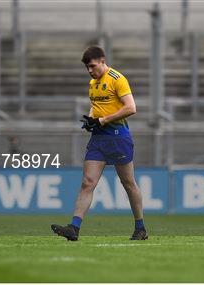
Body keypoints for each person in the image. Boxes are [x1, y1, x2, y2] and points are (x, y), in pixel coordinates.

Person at [51, 46, 148, 241]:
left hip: (118, 136)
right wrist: (92, 119)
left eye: (92, 66)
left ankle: (140, 228)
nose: (89, 70)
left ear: (103, 61)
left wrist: (103, 120)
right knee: (88, 183)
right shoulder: (93, 83)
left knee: (128, 183)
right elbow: (96, 107)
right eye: (87, 67)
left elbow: (131, 108)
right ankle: (74, 228)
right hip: (99, 138)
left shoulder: (117, 79)